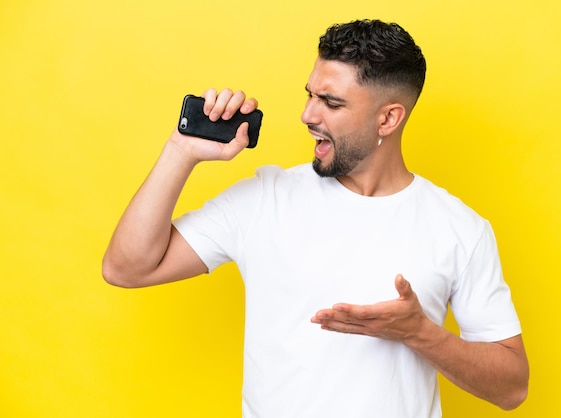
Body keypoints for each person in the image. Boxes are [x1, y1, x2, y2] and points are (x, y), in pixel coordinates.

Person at [103, 19, 529, 418]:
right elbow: (127, 268)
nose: (308, 115)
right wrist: (182, 151)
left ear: (389, 118)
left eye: (331, 102)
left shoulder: (460, 229)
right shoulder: (264, 199)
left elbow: (512, 388)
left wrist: (418, 332)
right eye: (310, 94)